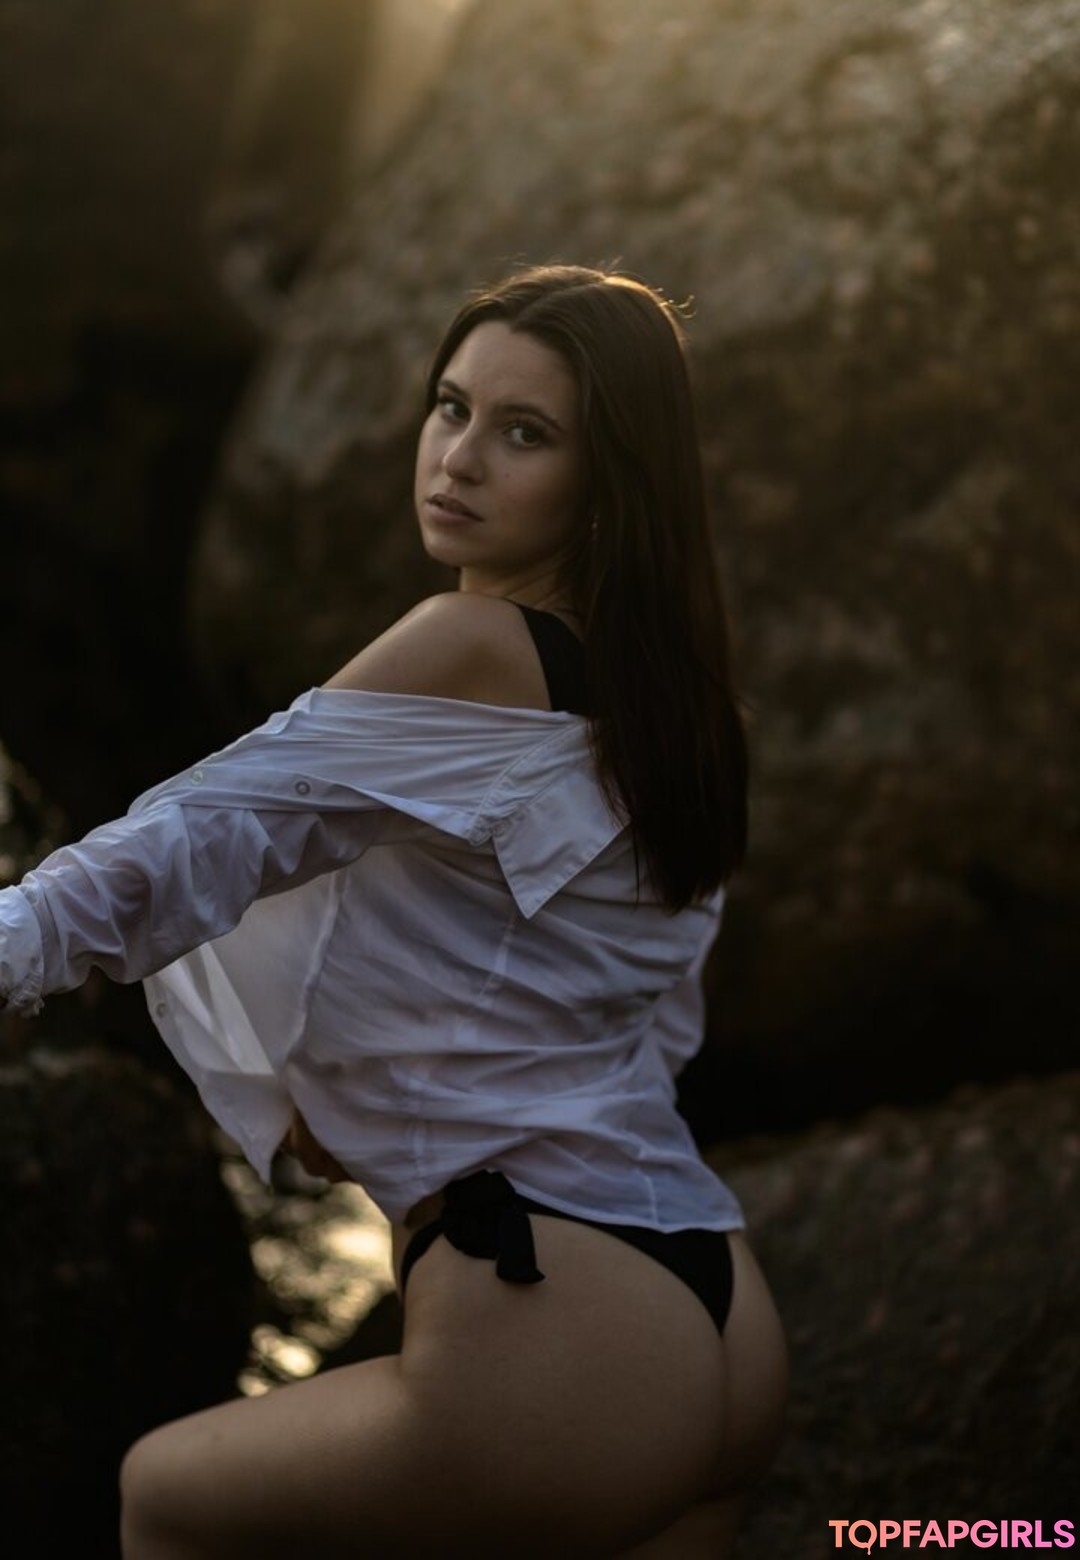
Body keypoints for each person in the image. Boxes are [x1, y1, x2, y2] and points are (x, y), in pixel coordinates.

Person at [0, 263, 788, 1558]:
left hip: (555, 1309)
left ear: (610, 478)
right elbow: (640, 1013)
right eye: (451, 406)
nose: (458, 457)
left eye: (523, 433)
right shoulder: (689, 711)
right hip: (714, 1304)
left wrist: (11, 947)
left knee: (164, 1498)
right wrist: (361, 1092)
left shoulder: (469, 646)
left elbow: (215, 824)